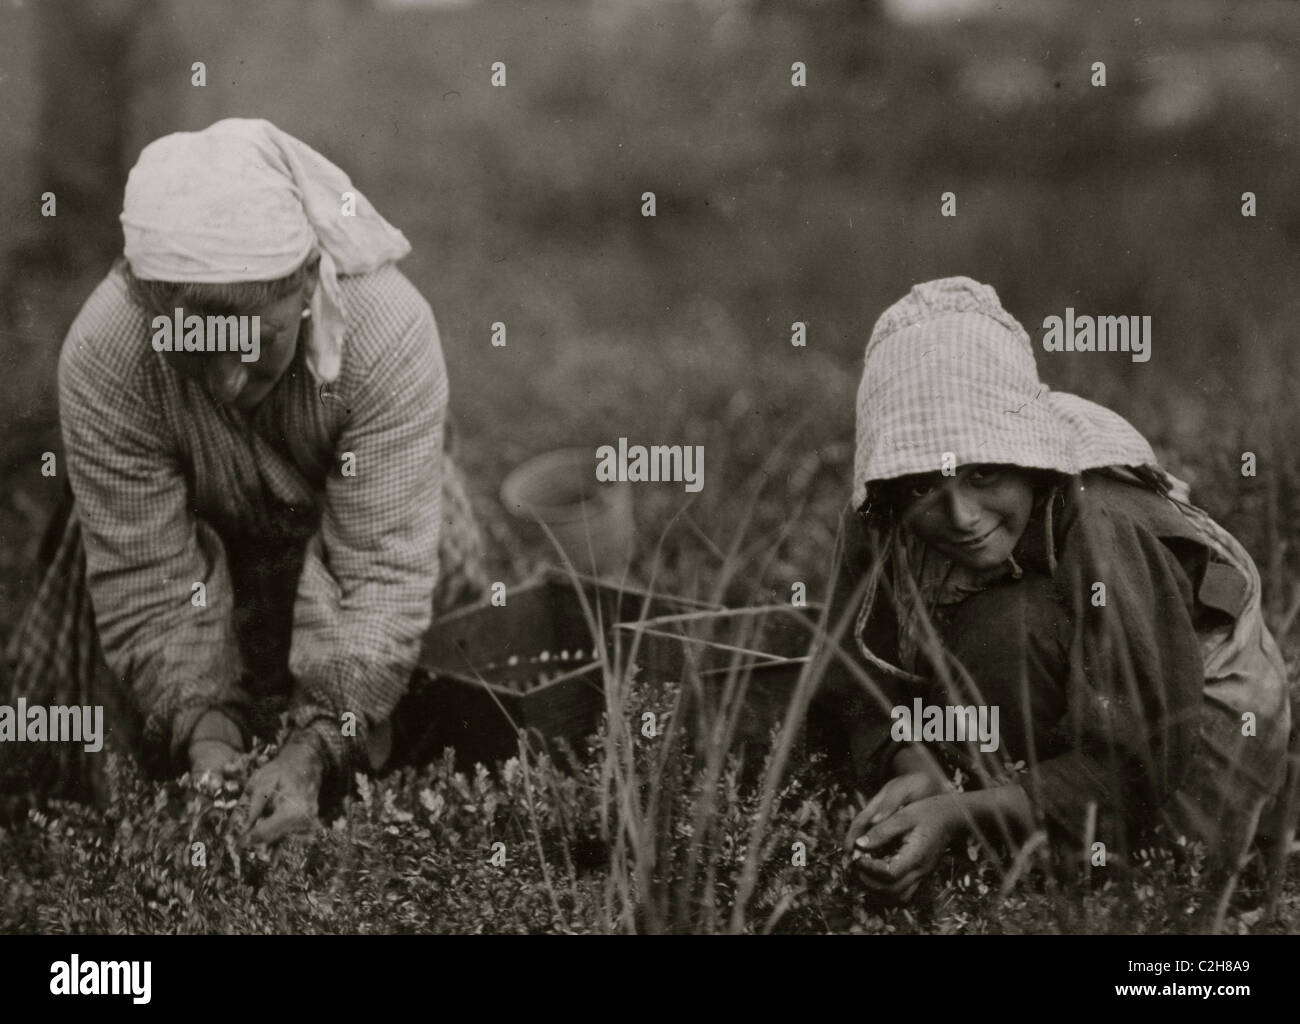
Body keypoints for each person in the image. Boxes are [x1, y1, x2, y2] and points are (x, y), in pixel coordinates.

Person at [2, 118, 488, 844]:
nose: (229, 383)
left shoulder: (387, 333)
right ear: (156, 309)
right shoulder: (109, 353)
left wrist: (311, 750)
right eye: (199, 347)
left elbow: (384, 573)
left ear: (304, 289)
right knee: (126, 800)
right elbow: (146, 574)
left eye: (260, 345)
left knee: (423, 759)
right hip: (194, 564)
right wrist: (207, 740)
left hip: (362, 560)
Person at [819, 276, 1296, 903]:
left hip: (1188, 735)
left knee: (1006, 633)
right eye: (922, 488)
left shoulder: (1102, 519)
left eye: (983, 472)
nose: (961, 515)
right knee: (988, 643)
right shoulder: (878, 513)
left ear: (1028, 458)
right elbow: (849, 673)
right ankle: (996, 809)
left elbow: (1137, 761)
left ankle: (1037, 858)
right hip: (1052, 700)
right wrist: (914, 765)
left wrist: (960, 814)